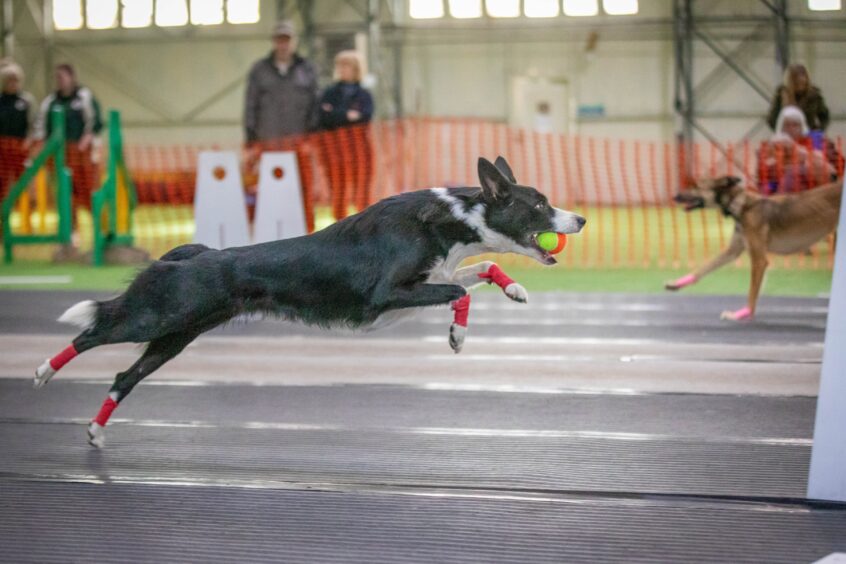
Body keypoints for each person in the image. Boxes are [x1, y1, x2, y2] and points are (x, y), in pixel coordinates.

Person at [244, 19, 319, 231]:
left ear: (294, 42)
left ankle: (308, 233)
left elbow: (315, 105)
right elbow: (250, 106)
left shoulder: (307, 69)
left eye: (287, 40)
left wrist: (312, 140)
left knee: (304, 189)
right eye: (279, 40)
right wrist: (251, 142)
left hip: (300, 144)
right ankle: (266, 233)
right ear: (274, 42)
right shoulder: (259, 70)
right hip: (268, 143)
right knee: (267, 190)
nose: (283, 44)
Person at [33, 63, 103, 259]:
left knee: (90, 196)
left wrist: (85, 140)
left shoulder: (84, 96)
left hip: (83, 158)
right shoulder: (51, 101)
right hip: (60, 159)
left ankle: (101, 235)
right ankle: (70, 240)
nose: (60, 80)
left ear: (72, 77)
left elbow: (95, 122)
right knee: (65, 199)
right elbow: (41, 127)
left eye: (62, 76)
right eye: (57, 77)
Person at [318, 50, 374, 221]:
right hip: (334, 151)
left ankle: (363, 224)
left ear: (356, 69)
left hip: (359, 150)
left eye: (346, 65)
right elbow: (324, 117)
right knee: (338, 189)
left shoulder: (364, 95)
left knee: (361, 190)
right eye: (339, 65)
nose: (342, 69)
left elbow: (364, 116)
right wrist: (347, 115)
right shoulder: (329, 93)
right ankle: (339, 224)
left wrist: (336, 113)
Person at [758, 105, 840, 194]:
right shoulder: (773, 145)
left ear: (802, 126)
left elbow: (833, 170)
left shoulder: (817, 140)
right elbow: (766, 176)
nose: (790, 129)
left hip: (817, 190)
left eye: (795, 125)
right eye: (786, 125)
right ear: (780, 126)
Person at [0, 59, 37, 204]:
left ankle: (30, 208)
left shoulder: (27, 100)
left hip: (21, 148)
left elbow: (35, 123)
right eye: (9, 80)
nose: (13, 83)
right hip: (2, 150)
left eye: (16, 80)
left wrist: (30, 140)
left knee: (25, 180)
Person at [766, 63, 830, 133]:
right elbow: (771, 119)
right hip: (787, 137)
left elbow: (825, 116)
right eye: (796, 83)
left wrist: (819, 130)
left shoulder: (815, 95)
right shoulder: (781, 94)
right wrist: (780, 131)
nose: (800, 85)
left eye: (803, 83)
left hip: (808, 136)